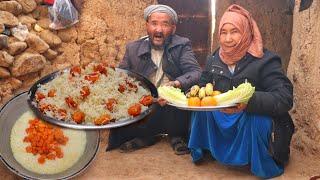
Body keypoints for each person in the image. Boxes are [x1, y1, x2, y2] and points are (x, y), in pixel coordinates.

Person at [188, 4, 294, 179]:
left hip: (250, 115)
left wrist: (248, 103)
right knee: (203, 107)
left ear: (247, 32)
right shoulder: (214, 59)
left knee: (258, 120)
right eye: (223, 32)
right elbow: (203, 84)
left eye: (235, 31)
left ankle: (259, 160)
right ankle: (205, 150)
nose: (228, 39)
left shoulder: (265, 60)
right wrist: (190, 91)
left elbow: (284, 98)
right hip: (225, 114)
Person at [107, 4, 202, 155]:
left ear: (173, 28)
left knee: (181, 100)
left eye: (165, 24)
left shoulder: (182, 45)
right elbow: (121, 77)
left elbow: (195, 72)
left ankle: (177, 136)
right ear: (147, 26)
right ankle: (146, 137)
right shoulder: (133, 48)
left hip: (172, 103)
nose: (159, 29)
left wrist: (176, 84)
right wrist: (140, 94)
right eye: (154, 23)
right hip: (146, 103)